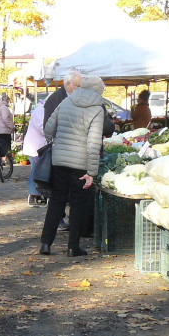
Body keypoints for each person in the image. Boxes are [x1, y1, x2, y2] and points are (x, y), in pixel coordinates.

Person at [40, 75, 107, 257]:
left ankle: (46, 243)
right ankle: (72, 247)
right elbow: (94, 144)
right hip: (80, 164)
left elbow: (47, 128)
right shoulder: (97, 109)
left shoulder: (66, 102)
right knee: (78, 205)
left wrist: (56, 143)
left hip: (59, 161)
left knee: (56, 201)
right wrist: (92, 172)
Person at [22, 99, 47, 206]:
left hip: (36, 145)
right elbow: (42, 127)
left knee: (36, 169)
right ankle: (34, 194)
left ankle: (36, 193)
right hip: (36, 147)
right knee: (36, 170)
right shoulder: (40, 110)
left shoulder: (40, 109)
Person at [0, 93, 14, 173]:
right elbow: (5, 118)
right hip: (4, 130)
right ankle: (5, 161)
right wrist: (11, 126)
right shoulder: (4, 107)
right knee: (5, 147)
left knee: (0, 146)